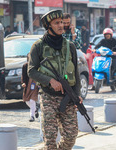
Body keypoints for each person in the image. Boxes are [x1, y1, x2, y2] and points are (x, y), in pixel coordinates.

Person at [28, 10, 82, 149]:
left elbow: (75, 72)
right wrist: (50, 81)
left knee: (71, 135)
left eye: (62, 23)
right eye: (56, 23)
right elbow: (31, 71)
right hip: (48, 97)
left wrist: (78, 94)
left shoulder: (70, 46)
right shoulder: (38, 46)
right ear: (48, 26)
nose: (61, 25)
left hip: (68, 97)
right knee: (50, 137)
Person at [21, 53, 39, 122]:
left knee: (32, 101)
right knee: (27, 101)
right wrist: (23, 83)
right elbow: (23, 75)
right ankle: (35, 110)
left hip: (35, 85)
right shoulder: (25, 66)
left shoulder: (37, 65)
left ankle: (32, 116)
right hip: (28, 85)